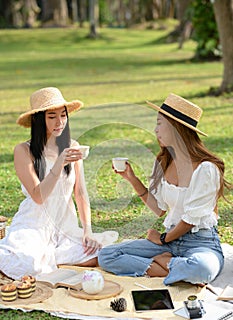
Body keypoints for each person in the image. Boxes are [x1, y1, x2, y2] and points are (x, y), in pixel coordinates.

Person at [98, 93, 231, 286]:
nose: (155, 130)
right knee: (107, 255)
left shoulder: (206, 169)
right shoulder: (163, 161)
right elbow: (159, 208)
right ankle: (171, 266)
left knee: (202, 269)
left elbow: (189, 220)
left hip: (200, 243)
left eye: (160, 124)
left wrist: (162, 238)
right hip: (168, 242)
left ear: (177, 128)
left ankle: (162, 264)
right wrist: (132, 178)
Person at [0, 87, 117, 280]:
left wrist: (88, 230)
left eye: (63, 115)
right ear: (39, 120)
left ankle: (55, 257)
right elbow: (38, 196)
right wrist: (59, 163)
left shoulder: (72, 146)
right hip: (34, 224)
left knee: (99, 253)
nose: (60, 122)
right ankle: (45, 257)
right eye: (52, 116)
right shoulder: (23, 150)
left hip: (65, 226)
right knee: (28, 264)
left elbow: (80, 192)